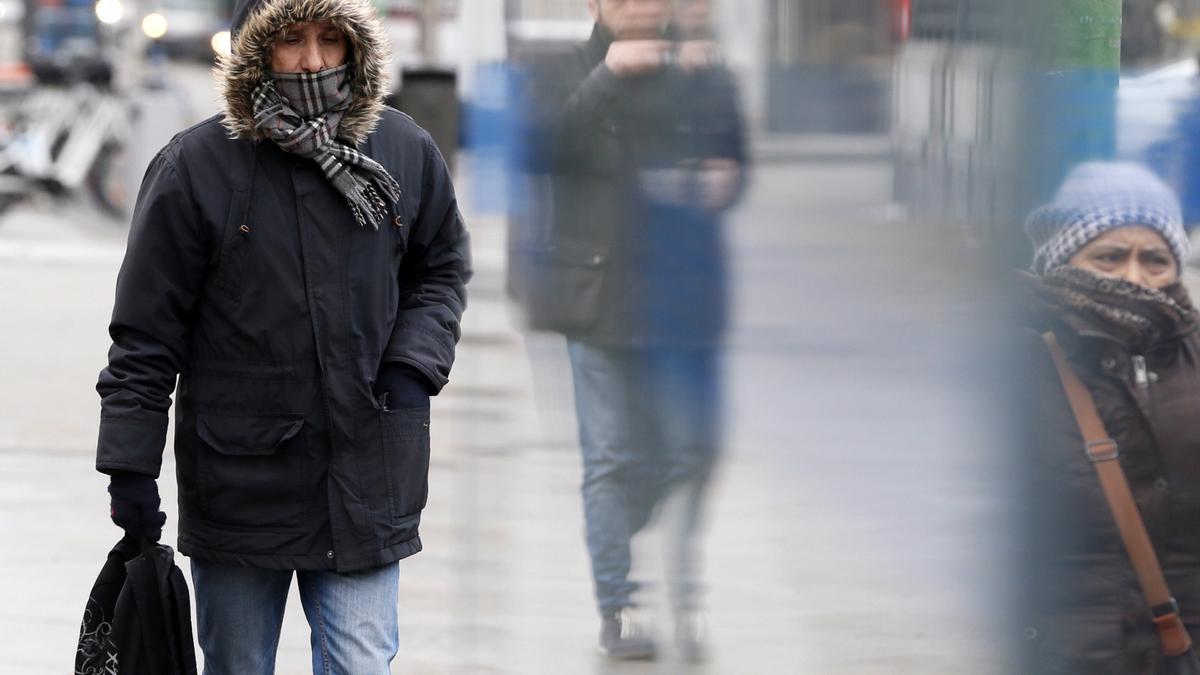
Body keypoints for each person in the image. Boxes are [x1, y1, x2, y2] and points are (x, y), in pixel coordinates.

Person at [93, 0, 470, 670]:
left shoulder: (404, 150)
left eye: (332, 38)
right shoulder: (195, 167)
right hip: (240, 488)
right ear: (252, 48)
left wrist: (412, 365)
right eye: (291, 39)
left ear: (356, 45)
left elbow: (440, 265)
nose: (315, 60)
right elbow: (147, 334)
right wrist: (131, 465)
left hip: (367, 476)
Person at [508, 0, 745, 661]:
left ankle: (664, 575)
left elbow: (734, 155)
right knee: (608, 457)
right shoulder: (563, 69)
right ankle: (620, 604)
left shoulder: (701, 67)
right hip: (598, 296)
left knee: (690, 452)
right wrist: (609, 74)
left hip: (680, 301)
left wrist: (723, 174)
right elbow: (544, 150)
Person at [1019, 162, 1200, 673]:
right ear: (1062, 257)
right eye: (1109, 257)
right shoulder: (1016, 359)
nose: (1134, 278)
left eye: (1156, 260)